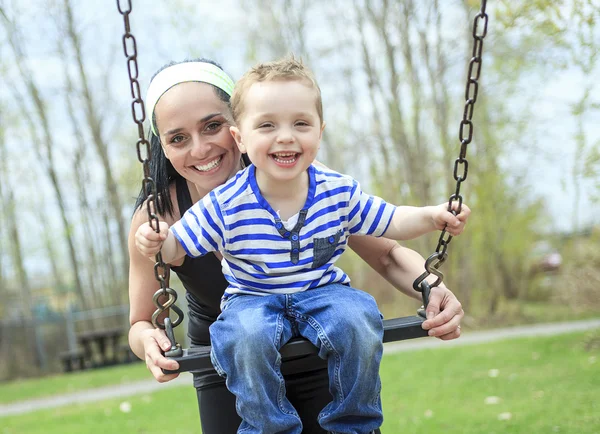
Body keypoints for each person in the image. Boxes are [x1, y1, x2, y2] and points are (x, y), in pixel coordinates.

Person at [127, 58, 465, 434]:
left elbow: (387, 251)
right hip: (233, 366)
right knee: (246, 340)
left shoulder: (301, 178)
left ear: (237, 126)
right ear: (164, 147)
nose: (201, 148)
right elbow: (140, 321)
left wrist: (432, 287)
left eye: (212, 126)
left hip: (323, 351)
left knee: (354, 323)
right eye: (178, 138)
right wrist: (149, 342)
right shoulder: (158, 217)